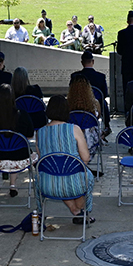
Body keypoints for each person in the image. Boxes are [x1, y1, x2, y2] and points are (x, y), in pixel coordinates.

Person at [37, 95, 95, 224]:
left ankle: (75, 210)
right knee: (81, 177)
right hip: (75, 185)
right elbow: (86, 158)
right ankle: (80, 211)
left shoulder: (40, 132)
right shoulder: (74, 129)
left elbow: (42, 159)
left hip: (48, 184)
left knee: (59, 174)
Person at [0, 85, 37, 197]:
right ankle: (13, 184)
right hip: (20, 160)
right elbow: (30, 136)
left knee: (10, 151)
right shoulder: (23, 115)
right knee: (27, 153)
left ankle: (12, 185)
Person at [74, 50, 110, 133]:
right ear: (93, 61)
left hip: (79, 103)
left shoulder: (75, 76)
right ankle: (107, 125)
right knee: (103, 102)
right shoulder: (100, 77)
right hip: (97, 104)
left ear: (82, 62)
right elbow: (104, 94)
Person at [67, 72, 103, 151]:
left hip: (71, 143)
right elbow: (97, 118)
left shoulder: (66, 104)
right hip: (90, 144)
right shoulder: (95, 103)